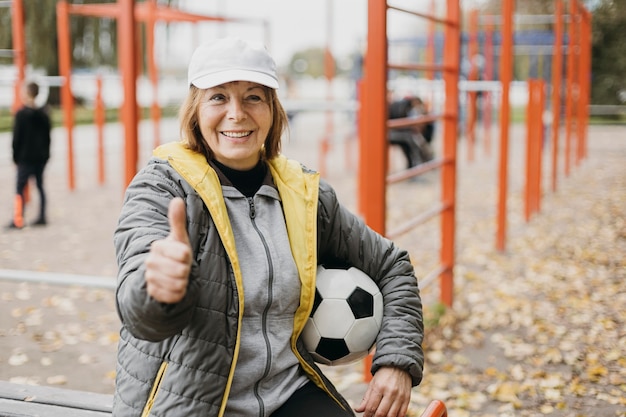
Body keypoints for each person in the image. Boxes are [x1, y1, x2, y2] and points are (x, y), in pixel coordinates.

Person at [113, 37, 424, 417]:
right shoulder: (161, 188)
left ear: (273, 110)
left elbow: (393, 267)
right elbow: (140, 315)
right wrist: (157, 288)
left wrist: (397, 362)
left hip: (287, 393)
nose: (236, 113)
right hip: (191, 403)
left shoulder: (304, 195)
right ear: (195, 110)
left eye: (253, 97)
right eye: (218, 97)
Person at [7, 81, 51, 229]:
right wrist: (46, 156)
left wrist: (15, 157)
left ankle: (18, 219)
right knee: (40, 186)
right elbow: (48, 138)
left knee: (20, 188)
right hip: (40, 159)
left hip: (25, 159)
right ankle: (42, 216)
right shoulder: (44, 114)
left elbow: (16, 138)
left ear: (26, 93)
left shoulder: (21, 114)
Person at [388, 95, 434, 169]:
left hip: (395, 133)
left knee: (411, 142)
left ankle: (415, 165)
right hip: (392, 133)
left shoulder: (403, 106)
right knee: (412, 141)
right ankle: (416, 166)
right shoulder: (403, 107)